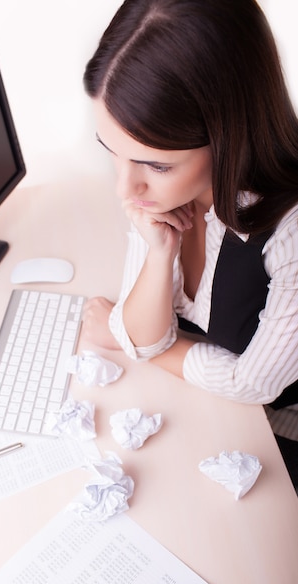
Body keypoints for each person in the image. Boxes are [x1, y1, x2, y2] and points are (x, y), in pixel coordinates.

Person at [81, 0, 298, 488]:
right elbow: (143, 332)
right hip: (226, 416)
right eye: (113, 153)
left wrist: (134, 342)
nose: (126, 191)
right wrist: (160, 254)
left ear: (228, 136)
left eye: (156, 165)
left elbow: (254, 383)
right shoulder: (163, 192)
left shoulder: (290, 233)